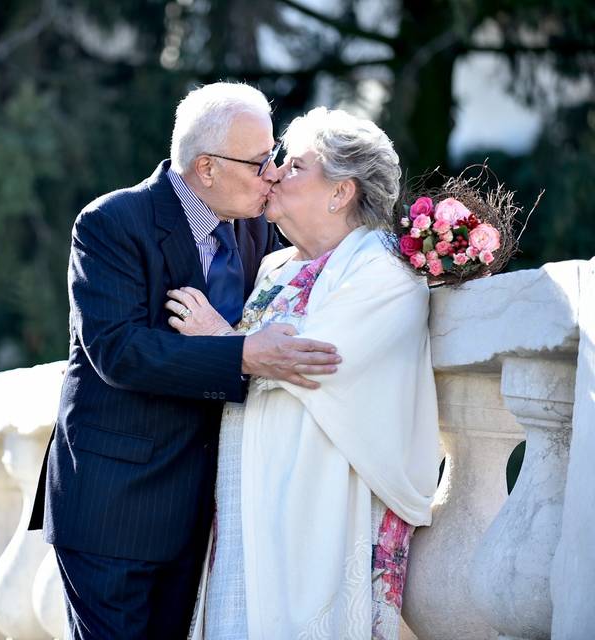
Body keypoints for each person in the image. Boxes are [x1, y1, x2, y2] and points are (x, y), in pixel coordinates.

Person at [28, 83, 344, 639]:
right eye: (260, 161)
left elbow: (326, 250)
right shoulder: (110, 223)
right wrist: (243, 353)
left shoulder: (252, 226)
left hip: (200, 514)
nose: (272, 173)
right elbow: (119, 352)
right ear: (206, 168)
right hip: (112, 506)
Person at [166, 107, 440, 639]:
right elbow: (268, 360)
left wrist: (221, 342)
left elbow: (315, 362)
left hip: (319, 502)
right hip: (244, 493)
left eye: (293, 166)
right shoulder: (274, 266)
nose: (271, 173)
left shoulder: (383, 271)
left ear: (341, 192)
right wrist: (235, 350)